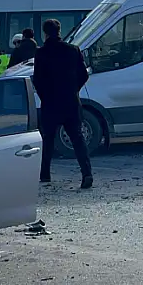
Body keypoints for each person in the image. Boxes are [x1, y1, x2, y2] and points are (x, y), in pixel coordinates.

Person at [32, 19, 93, 189]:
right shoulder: (73, 50)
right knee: (78, 138)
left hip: (50, 103)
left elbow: (37, 79)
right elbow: (84, 75)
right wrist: (74, 89)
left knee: (48, 139)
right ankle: (86, 173)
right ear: (59, 31)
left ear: (44, 33)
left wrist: (45, 96)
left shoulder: (41, 53)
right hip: (70, 101)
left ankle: (45, 174)